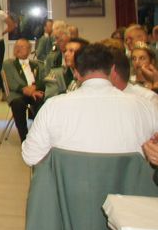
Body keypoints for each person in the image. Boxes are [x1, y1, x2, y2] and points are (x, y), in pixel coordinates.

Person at [22, 44, 158, 166]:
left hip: (70, 185)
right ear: (112, 69)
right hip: (128, 185)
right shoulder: (144, 106)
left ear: (76, 73)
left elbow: (30, 156)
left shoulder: (53, 107)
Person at [2, 38, 44, 141]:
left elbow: (44, 80)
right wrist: (26, 90)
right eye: (16, 47)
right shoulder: (8, 64)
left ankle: (40, 135)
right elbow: (11, 83)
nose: (18, 49)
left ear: (29, 50)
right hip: (18, 94)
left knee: (44, 102)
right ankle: (24, 139)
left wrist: (34, 88)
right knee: (18, 104)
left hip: (35, 92)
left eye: (22, 47)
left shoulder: (37, 65)